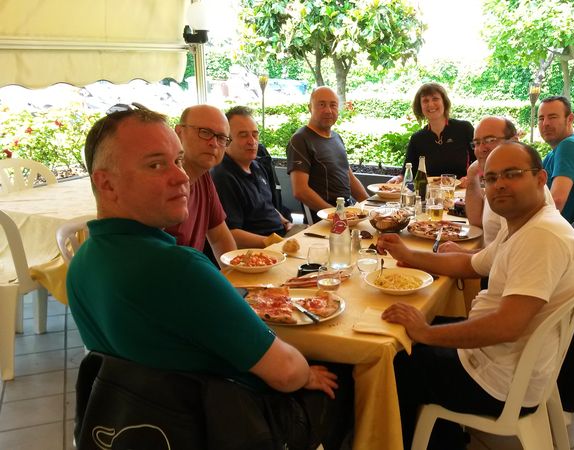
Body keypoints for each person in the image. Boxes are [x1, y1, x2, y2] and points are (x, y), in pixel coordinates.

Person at [68, 105, 351, 448]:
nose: (180, 177)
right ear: (106, 184)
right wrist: (306, 374)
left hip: (134, 421)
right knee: (346, 375)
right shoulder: (179, 268)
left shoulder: (82, 262)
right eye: (156, 165)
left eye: (177, 160)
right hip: (219, 426)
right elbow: (286, 373)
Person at [377, 141, 574, 449]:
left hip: (496, 379)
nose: (499, 184)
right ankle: (444, 436)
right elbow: (469, 264)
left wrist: (426, 334)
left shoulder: (541, 236)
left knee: (392, 359)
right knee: (407, 332)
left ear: (540, 178)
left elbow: (507, 326)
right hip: (505, 360)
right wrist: (407, 254)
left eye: (512, 174)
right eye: (491, 178)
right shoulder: (524, 223)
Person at [438, 116, 553, 254]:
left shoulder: (518, 189)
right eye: (477, 143)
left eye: (490, 140)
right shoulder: (498, 179)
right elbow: (477, 222)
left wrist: (462, 253)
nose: (481, 149)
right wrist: (472, 174)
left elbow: (507, 255)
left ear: (514, 141)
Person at [212, 106, 296, 246]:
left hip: (281, 237)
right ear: (226, 139)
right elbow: (230, 234)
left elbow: (266, 206)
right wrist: (277, 243)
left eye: (255, 134)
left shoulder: (257, 166)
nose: (252, 141)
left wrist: (286, 223)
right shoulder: (223, 176)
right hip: (259, 250)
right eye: (243, 135)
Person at [164, 104, 236, 264]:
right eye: (205, 132)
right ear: (179, 132)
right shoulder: (162, 184)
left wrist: (237, 276)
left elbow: (220, 238)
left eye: (221, 138)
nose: (214, 143)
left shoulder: (204, 178)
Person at [286, 86, 368, 217]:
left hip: (347, 211)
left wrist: (370, 206)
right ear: (310, 108)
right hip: (324, 218)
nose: (328, 110)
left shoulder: (336, 137)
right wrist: (337, 215)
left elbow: (349, 178)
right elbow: (300, 191)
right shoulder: (300, 139)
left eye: (333, 105)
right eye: (321, 104)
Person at [389, 82, 475, 183]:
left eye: (435, 99)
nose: (430, 104)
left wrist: (470, 177)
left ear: (444, 102)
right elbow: (407, 171)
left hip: (463, 189)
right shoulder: (417, 139)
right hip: (431, 191)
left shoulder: (464, 129)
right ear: (420, 106)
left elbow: (480, 160)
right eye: (425, 101)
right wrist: (399, 178)